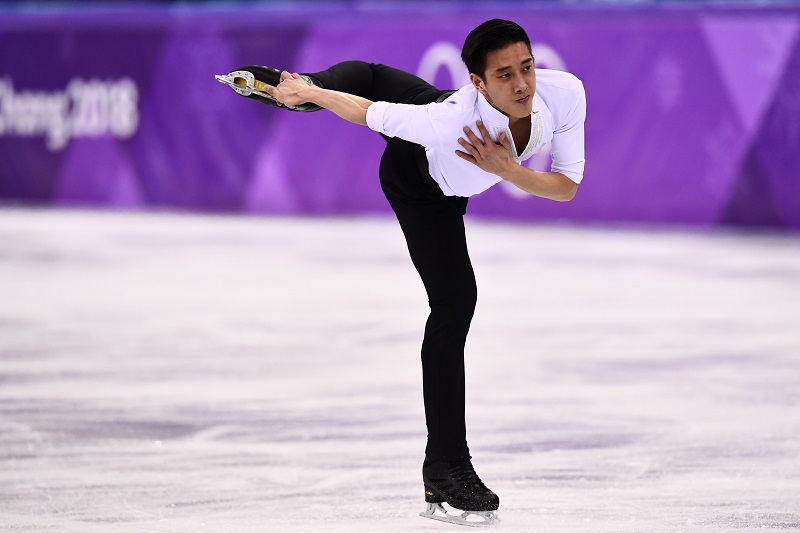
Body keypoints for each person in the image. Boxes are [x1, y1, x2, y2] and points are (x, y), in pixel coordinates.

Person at [218, 18, 585, 527]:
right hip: (418, 182)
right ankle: (447, 464)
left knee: (369, 76)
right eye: (504, 75)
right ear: (478, 83)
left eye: (526, 68)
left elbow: (566, 185)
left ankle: (299, 88)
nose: (522, 84)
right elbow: (366, 111)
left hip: (432, 112)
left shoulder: (564, 94)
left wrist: (509, 171)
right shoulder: (452, 122)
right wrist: (317, 94)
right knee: (456, 303)